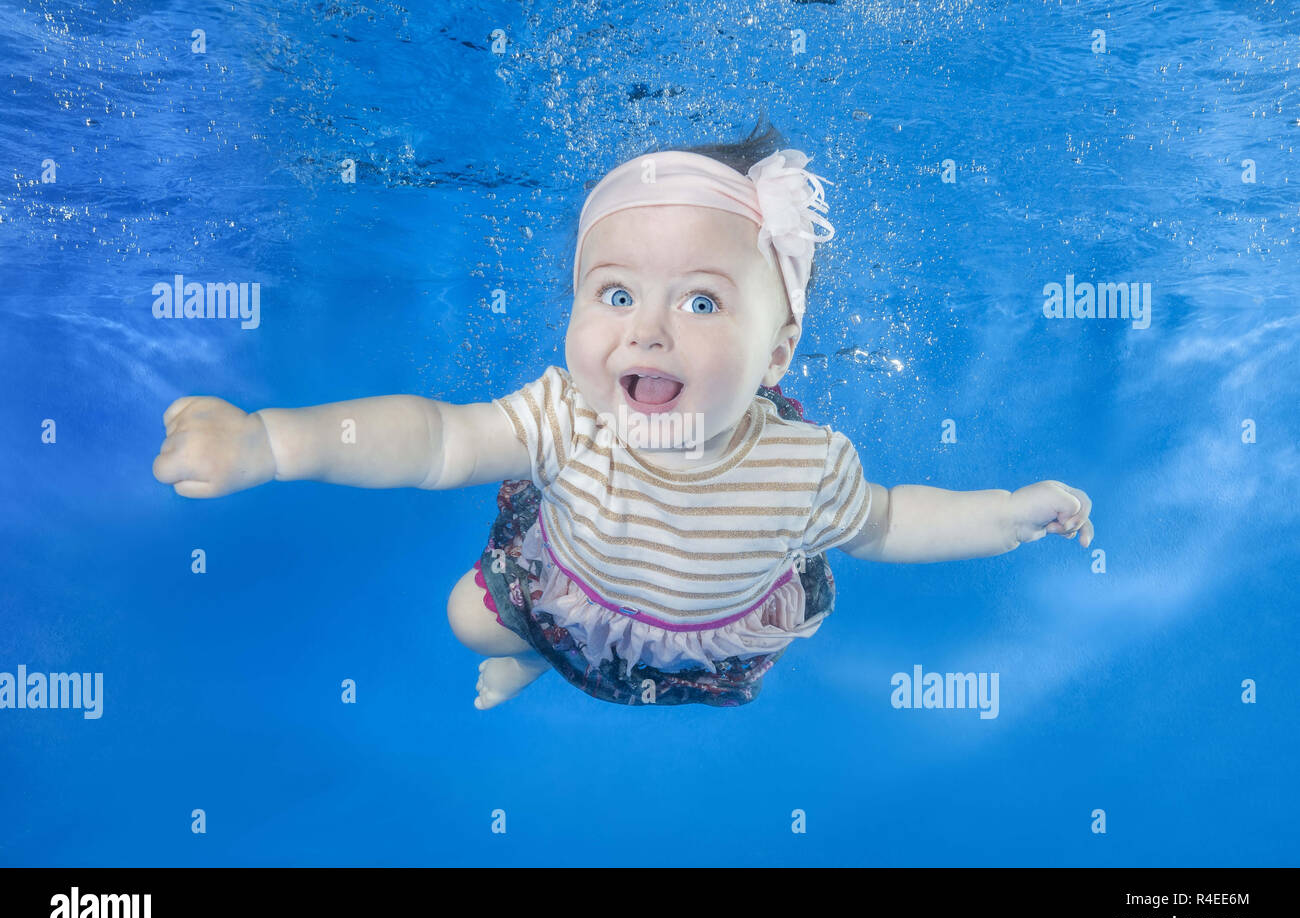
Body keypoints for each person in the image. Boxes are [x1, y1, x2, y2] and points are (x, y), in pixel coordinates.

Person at [152, 122, 1095, 711]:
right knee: (465, 619)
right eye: (612, 294)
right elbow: (437, 438)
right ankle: (530, 655)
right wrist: (271, 441)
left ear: (777, 353)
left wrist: (1007, 513)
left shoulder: (807, 466)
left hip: (720, 631)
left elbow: (889, 520)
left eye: (700, 303)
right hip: (574, 592)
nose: (646, 330)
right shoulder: (566, 417)